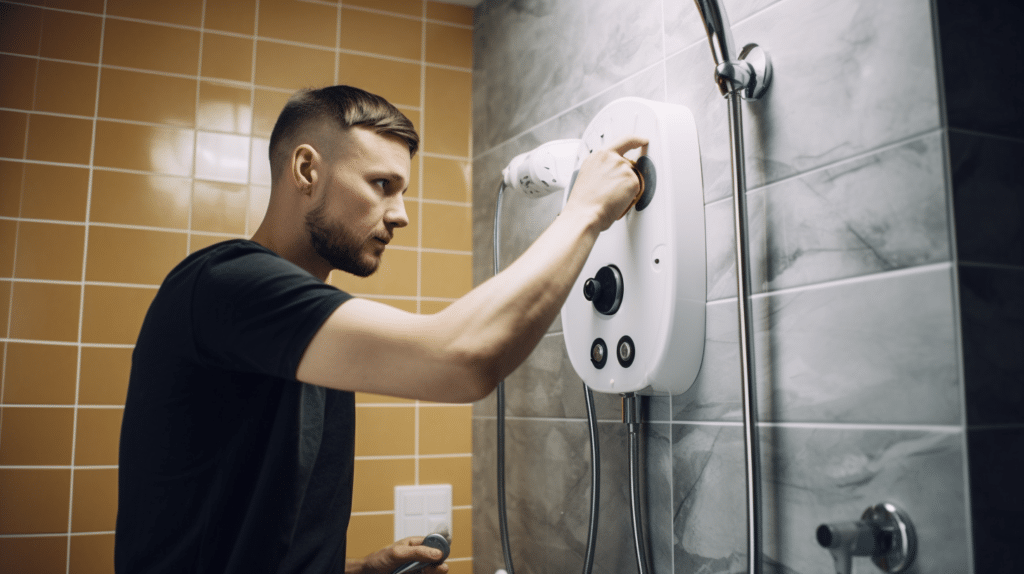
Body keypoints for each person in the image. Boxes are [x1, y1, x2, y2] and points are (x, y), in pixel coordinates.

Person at [115, 85, 646, 574]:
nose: (401, 215)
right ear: (306, 170)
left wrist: (355, 571)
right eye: (381, 185)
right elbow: (460, 359)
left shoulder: (310, 328)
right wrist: (584, 213)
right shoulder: (225, 284)